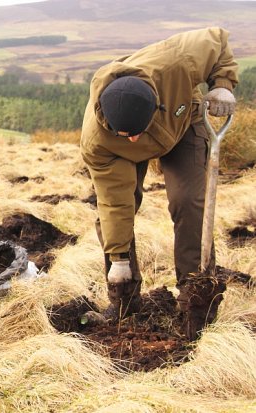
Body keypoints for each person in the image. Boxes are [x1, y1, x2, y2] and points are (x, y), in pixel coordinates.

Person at [80, 27, 239, 340]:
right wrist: (119, 260)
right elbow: (116, 202)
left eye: (138, 130)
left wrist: (222, 84)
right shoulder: (99, 142)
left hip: (183, 122)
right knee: (115, 216)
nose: (136, 139)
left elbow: (218, 39)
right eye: (128, 135)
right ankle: (124, 301)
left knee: (189, 202)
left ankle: (195, 298)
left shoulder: (178, 60)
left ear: (155, 105)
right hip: (120, 155)